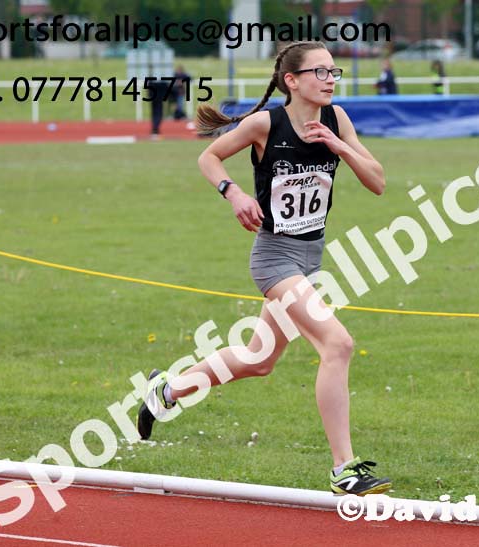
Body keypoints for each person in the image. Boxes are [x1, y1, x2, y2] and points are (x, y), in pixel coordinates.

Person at [136, 41, 391, 496]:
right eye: (321, 71)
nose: (331, 78)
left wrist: (339, 146)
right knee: (338, 343)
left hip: (312, 256)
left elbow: (378, 182)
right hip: (274, 257)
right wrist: (234, 194)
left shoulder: (338, 120)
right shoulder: (264, 124)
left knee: (258, 360)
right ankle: (343, 468)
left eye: (335, 71)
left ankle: (167, 392)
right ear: (292, 80)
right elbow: (208, 156)